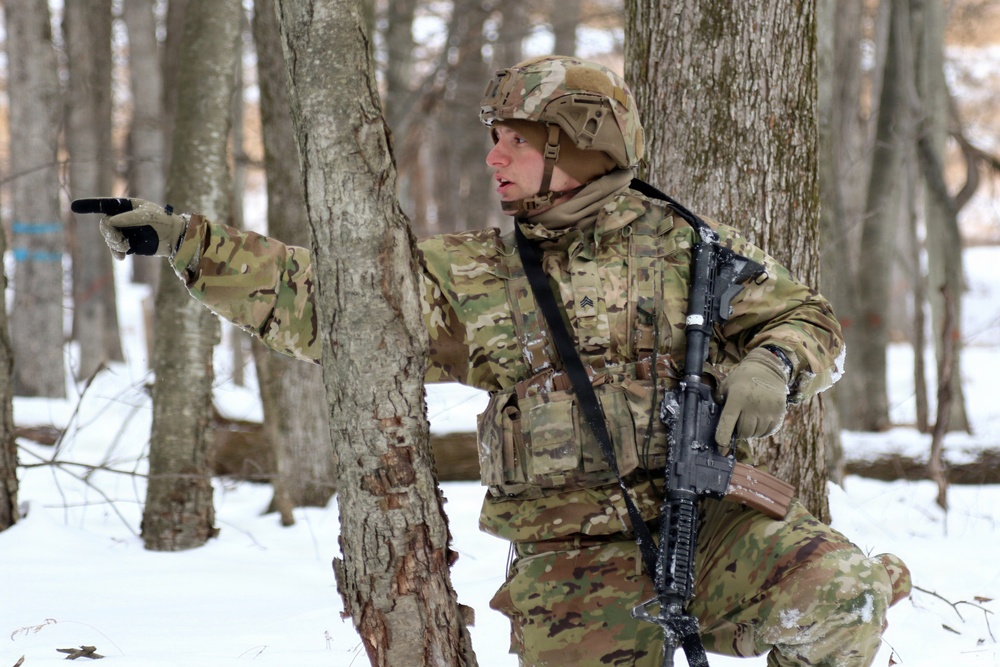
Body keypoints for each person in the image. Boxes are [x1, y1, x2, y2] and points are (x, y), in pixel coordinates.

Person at [77, 55, 910, 667]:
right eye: (495, 139)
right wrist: (189, 241)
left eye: (515, 141)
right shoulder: (477, 273)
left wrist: (775, 366)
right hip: (570, 565)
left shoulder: (690, 250)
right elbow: (322, 302)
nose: (493, 159)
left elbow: (808, 319)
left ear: (581, 144)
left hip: (705, 526)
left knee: (847, 595)